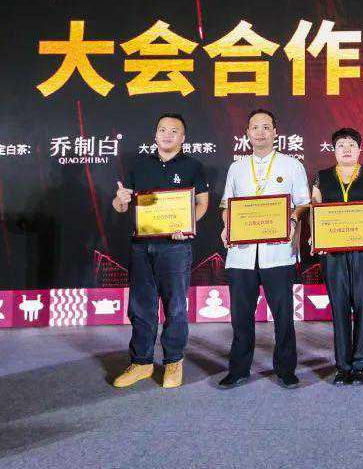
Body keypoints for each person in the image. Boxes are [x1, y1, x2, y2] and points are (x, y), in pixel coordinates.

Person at [111, 113, 209, 390]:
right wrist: (120, 199)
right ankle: (141, 362)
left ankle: (173, 361)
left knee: (175, 307)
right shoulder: (140, 165)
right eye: (162, 130)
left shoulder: (193, 166)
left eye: (174, 131)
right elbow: (121, 206)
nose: (167, 135)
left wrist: (188, 226)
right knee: (141, 306)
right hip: (141, 246)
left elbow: (202, 203)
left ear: (183, 137)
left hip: (176, 247)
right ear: (155, 135)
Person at [218, 109, 310, 389]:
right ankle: (238, 369)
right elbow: (227, 205)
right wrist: (227, 226)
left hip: (278, 251)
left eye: (266, 127)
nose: (260, 132)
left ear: (275, 133)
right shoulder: (237, 167)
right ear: (247, 133)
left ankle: (285, 369)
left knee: (283, 315)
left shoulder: (292, 165)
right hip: (242, 254)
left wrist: (292, 219)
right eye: (255, 127)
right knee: (240, 316)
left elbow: (303, 202)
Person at [310, 128, 363, 385]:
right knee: (339, 306)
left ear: (359, 149)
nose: (346, 149)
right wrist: (316, 235)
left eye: (351, 144)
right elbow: (314, 211)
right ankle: (342, 366)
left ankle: (360, 365)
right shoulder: (322, 177)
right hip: (333, 251)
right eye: (341, 145)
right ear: (333, 150)